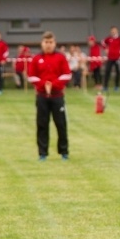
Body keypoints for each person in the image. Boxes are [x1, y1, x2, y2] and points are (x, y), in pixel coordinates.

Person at [28, 31, 72, 161]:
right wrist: (43, 85)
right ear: (42, 43)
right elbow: (31, 76)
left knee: (61, 124)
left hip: (57, 96)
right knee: (42, 124)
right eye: (46, 42)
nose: (48, 45)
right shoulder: (36, 58)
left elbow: (67, 74)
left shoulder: (60, 58)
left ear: (55, 43)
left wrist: (53, 85)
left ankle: (64, 152)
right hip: (42, 97)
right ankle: (42, 153)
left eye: (51, 42)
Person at [102, 26, 120, 92]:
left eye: (114, 31)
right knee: (107, 72)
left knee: (118, 73)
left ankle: (117, 87)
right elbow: (102, 42)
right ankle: (105, 87)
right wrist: (105, 49)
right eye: (112, 31)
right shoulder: (109, 39)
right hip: (110, 58)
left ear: (117, 31)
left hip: (117, 58)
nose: (113, 32)